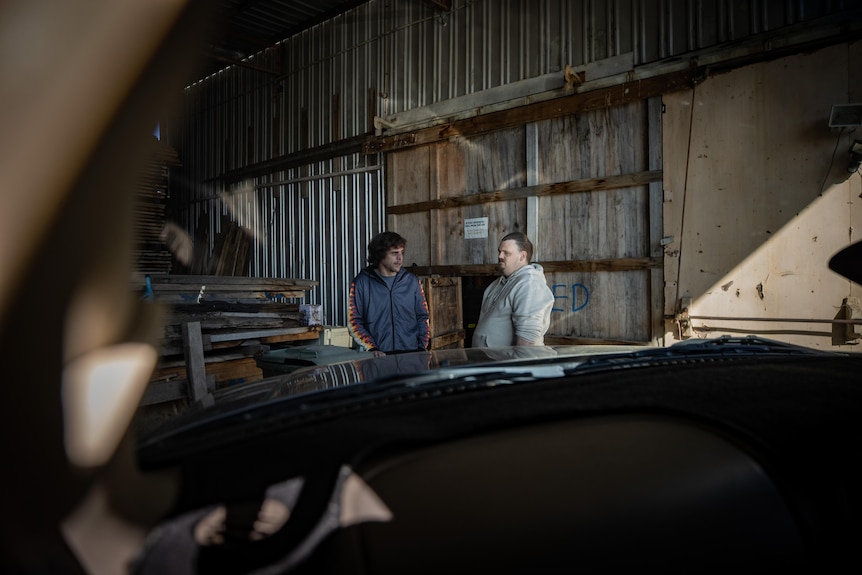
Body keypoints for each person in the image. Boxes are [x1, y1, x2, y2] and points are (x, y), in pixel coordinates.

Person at [348, 231, 431, 356]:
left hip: (411, 355)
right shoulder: (362, 283)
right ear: (380, 255)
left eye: (402, 253)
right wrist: (371, 348)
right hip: (378, 357)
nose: (400, 258)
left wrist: (421, 347)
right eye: (394, 253)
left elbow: (423, 317)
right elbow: (355, 321)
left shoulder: (412, 282)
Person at [472, 231, 555, 347]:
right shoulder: (497, 284)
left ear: (522, 256)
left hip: (506, 362)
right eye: (499, 252)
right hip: (490, 361)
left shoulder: (529, 284)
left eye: (506, 253)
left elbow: (527, 337)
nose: (500, 256)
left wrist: (517, 364)